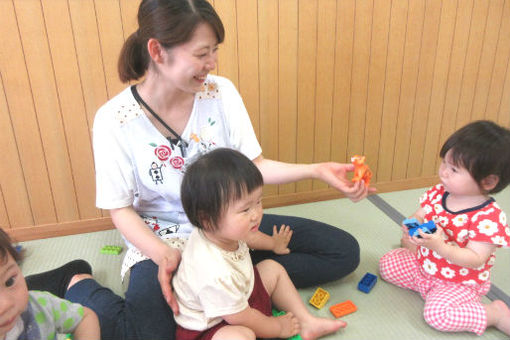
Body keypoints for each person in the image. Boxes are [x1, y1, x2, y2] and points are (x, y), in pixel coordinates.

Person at [26, 0, 374, 339]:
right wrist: (164, 255)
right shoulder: (115, 120)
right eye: (202, 53)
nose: (213, 63)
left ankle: (226, 296)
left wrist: (315, 170)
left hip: (228, 225)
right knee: (149, 334)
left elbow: (255, 167)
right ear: (158, 52)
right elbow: (120, 210)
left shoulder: (221, 93)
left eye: (215, 50)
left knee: (342, 251)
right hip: (163, 239)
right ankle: (76, 281)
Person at [174, 148, 345, 340]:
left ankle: (307, 322)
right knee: (240, 336)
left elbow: (251, 237)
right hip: (212, 326)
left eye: (258, 201)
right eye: (246, 209)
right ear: (206, 219)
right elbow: (242, 317)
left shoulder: (222, 229)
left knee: (273, 268)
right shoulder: (213, 271)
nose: (256, 214)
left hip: (241, 297)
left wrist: (274, 244)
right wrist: (276, 327)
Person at [379, 120, 510, 336]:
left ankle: (494, 314)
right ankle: (424, 279)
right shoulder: (441, 192)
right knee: (387, 264)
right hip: (424, 267)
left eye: (454, 169)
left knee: (438, 316)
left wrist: (440, 247)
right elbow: (420, 214)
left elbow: (476, 258)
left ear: (487, 182)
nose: (444, 173)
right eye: (444, 164)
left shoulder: (489, 217)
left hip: (457, 282)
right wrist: (411, 224)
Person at [0, 229, 100, 340]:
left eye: (9, 281)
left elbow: (85, 317)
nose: (6, 304)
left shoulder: (38, 305)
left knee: (80, 267)